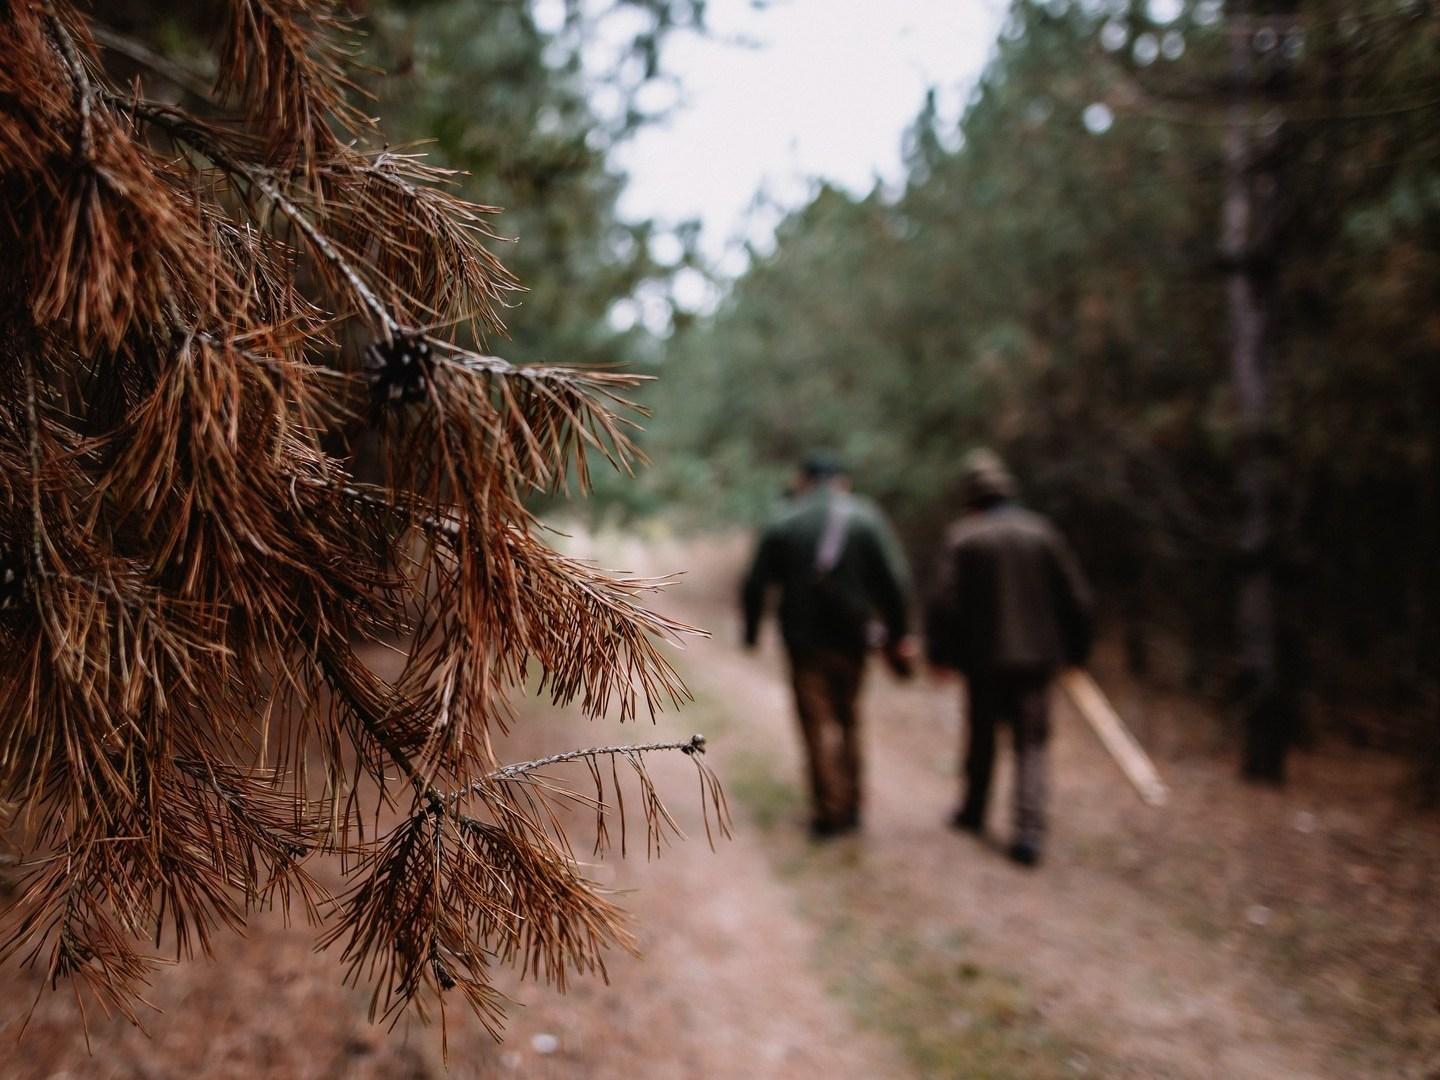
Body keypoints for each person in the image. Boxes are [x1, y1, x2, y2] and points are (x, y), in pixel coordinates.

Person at [926, 449, 1093, 867]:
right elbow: (1078, 599)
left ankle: (972, 811)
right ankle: (1029, 834)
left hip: (983, 662)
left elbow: (943, 604)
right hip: (1036, 662)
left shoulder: (963, 537)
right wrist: (1077, 653)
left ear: (970, 496)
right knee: (1031, 745)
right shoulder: (1041, 533)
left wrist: (940, 656)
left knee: (981, 739)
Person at [742, 453, 916, 837]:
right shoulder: (866, 517)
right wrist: (900, 635)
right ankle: (853, 805)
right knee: (850, 719)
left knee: (814, 726)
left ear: (804, 480)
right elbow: (895, 582)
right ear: (844, 482)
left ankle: (828, 812)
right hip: (853, 642)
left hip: (804, 643)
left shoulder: (785, 519)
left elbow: (755, 582)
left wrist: (752, 633)